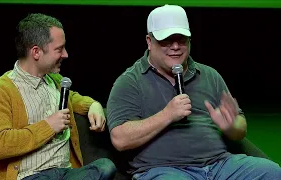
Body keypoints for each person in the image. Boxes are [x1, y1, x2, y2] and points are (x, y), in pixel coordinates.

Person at [107, 4, 281, 180]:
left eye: (181, 39)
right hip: (164, 170)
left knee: (273, 172)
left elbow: (240, 128)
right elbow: (120, 139)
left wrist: (232, 127)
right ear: (149, 42)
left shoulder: (209, 75)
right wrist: (167, 115)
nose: (175, 46)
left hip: (219, 164)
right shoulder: (129, 82)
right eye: (166, 40)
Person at [0, 13, 116, 180]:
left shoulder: (55, 82)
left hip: (65, 173)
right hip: (30, 176)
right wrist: (48, 126)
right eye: (59, 49)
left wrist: (93, 105)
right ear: (36, 52)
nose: (65, 54)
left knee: (105, 167)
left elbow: (74, 98)